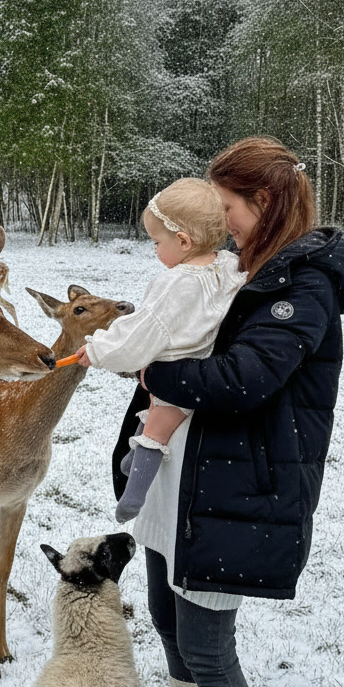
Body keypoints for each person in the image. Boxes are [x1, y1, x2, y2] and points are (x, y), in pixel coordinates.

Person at [109, 137, 344, 687]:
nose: (218, 221)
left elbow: (247, 377)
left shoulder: (304, 284)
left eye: (227, 206)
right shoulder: (239, 266)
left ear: (265, 202)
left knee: (210, 649)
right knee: (168, 619)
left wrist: (152, 370)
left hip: (236, 492)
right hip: (184, 481)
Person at [73, 178, 247, 523]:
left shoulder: (173, 283)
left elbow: (139, 334)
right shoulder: (229, 264)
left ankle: (131, 498)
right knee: (152, 415)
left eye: (156, 242)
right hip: (208, 368)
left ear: (183, 241)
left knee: (155, 429)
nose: (154, 250)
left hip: (179, 372)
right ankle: (132, 460)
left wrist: (98, 350)